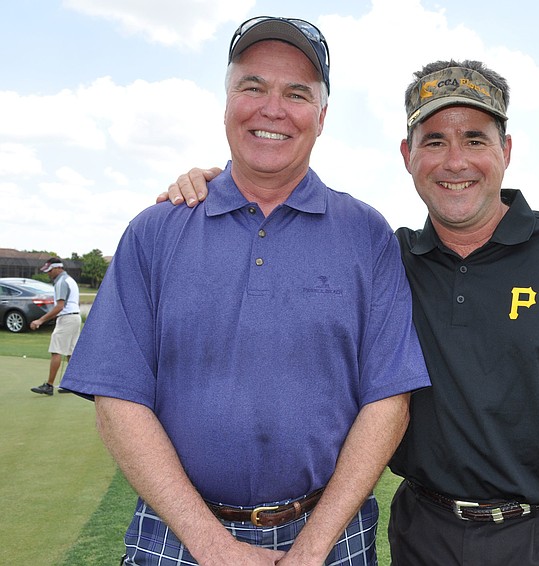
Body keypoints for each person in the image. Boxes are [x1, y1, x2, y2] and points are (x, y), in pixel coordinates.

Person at [165, 60, 539, 565]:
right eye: (434, 141)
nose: (455, 161)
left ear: (507, 151)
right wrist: (223, 182)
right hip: (424, 536)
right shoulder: (389, 259)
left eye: (475, 139)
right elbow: (284, 243)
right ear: (408, 156)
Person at [60, 16, 430, 566]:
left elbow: (388, 401)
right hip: (178, 535)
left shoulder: (366, 233)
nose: (272, 109)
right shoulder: (156, 229)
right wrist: (211, 545)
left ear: (322, 117)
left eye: (296, 93)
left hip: (328, 534)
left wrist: (311, 549)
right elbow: (118, 400)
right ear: (227, 101)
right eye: (252, 87)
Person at [29, 257, 81, 396]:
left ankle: (49, 385)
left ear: (58, 268)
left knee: (56, 350)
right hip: (75, 317)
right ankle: (72, 384)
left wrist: (40, 320)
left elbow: (59, 307)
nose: (49, 273)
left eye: (50, 270)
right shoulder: (70, 280)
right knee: (70, 352)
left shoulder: (61, 282)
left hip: (67, 318)